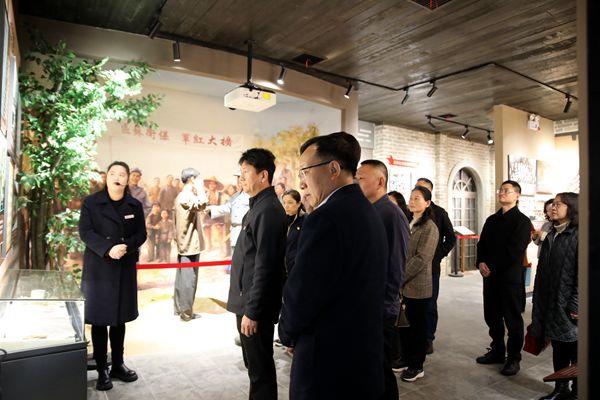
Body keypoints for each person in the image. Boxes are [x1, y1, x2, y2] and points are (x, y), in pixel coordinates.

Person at [278, 132, 388, 400]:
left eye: (305, 171)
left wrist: (288, 333)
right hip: (360, 351)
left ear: (334, 169)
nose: (301, 182)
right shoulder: (367, 210)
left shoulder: (326, 218)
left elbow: (303, 292)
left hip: (326, 357)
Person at [78, 161, 147, 391]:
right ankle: (102, 370)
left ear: (128, 179)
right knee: (99, 321)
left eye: (122, 174)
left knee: (119, 319)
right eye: (113, 173)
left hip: (124, 267)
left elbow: (141, 234)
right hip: (99, 270)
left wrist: (126, 246)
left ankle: (118, 364)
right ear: (106, 177)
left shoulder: (134, 205)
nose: (117, 177)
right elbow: (85, 232)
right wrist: (108, 249)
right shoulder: (91, 202)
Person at [227, 148, 287, 400]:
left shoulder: (268, 210)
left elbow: (266, 266)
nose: (241, 178)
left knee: (260, 369)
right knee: (255, 367)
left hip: (255, 307)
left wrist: (252, 311)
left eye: (245, 172)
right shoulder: (258, 206)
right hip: (249, 301)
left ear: (263, 175)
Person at [357, 160, 409, 397]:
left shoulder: (391, 214)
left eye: (362, 178)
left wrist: (386, 306)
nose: (357, 182)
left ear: (380, 181)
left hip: (380, 308)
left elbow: (396, 266)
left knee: (381, 369)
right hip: (366, 304)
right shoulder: (369, 210)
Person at [476, 180, 532, 376]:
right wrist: (480, 262)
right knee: (491, 316)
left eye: (507, 190)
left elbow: (514, 251)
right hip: (490, 278)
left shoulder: (522, 222)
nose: (502, 192)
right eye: (501, 190)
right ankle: (497, 351)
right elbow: (482, 244)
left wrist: (491, 266)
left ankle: (514, 358)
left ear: (517, 195)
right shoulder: (492, 219)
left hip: (509, 278)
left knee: (512, 319)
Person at [531, 193, 579, 400]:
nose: (553, 207)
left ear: (572, 208)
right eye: (553, 204)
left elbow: (582, 275)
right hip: (551, 300)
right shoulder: (552, 232)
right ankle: (561, 389)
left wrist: (576, 305)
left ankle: (578, 391)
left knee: (575, 349)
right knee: (558, 346)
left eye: (559, 204)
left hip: (569, 303)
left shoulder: (578, 235)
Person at [396, 186, 439, 382]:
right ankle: (405, 359)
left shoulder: (430, 227)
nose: (412, 201)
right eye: (411, 198)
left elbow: (422, 258)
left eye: (417, 198)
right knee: (404, 326)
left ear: (427, 203)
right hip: (404, 285)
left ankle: (417, 365)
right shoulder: (409, 222)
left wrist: (400, 275)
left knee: (418, 328)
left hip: (418, 285)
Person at [415, 177, 456, 354]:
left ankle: (428, 339)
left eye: (423, 189)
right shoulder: (410, 213)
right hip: (412, 268)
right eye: (417, 188)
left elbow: (451, 238)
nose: (418, 192)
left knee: (429, 305)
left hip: (431, 268)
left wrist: (438, 255)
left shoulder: (439, 213)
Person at [173, 168, 208, 322]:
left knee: (182, 278)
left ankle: (179, 309)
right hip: (189, 244)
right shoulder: (187, 195)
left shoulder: (182, 195)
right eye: (198, 178)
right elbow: (202, 204)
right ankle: (186, 313)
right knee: (189, 280)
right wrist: (200, 189)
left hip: (185, 242)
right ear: (192, 179)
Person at [207, 173, 250, 260]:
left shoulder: (251, 195)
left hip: (246, 231)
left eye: (242, 179)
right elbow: (226, 207)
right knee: (235, 256)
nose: (240, 181)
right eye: (238, 179)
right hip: (235, 231)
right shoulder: (235, 196)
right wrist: (208, 209)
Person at [281, 189, 305, 276]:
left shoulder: (305, 220)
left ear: (298, 204)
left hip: (297, 270)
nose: (286, 206)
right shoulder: (281, 220)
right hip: (281, 272)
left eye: (290, 203)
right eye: (284, 203)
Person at [203, 176, 226, 253]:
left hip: (217, 213)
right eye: (210, 184)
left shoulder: (220, 194)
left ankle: (222, 248)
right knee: (207, 230)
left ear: (216, 185)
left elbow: (223, 203)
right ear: (208, 185)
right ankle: (209, 246)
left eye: (214, 184)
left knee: (219, 230)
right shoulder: (205, 194)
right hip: (207, 213)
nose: (212, 186)